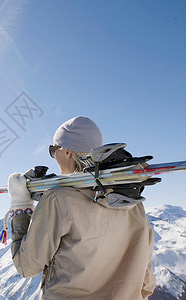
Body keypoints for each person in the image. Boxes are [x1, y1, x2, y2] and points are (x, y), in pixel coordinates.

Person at [8, 116, 156, 299]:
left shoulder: (57, 200)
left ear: (67, 152)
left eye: (53, 150)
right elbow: (146, 279)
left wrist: (21, 206)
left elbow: (26, 266)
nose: (54, 156)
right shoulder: (132, 201)